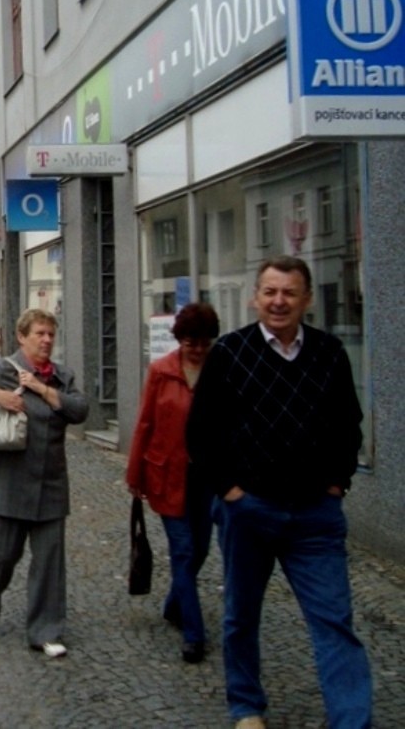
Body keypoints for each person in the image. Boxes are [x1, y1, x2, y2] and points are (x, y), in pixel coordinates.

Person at [186, 256, 371, 729]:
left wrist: (338, 482)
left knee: (334, 620)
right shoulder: (230, 353)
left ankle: (351, 720)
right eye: (270, 292)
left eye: (289, 292)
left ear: (306, 299)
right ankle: (246, 706)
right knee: (241, 615)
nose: (279, 301)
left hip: (315, 515)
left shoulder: (329, 352)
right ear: (255, 298)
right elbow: (201, 433)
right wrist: (230, 491)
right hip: (250, 511)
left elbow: (348, 424)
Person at [0, 308, 88, 657]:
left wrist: (42, 390)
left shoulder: (61, 376)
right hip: (6, 482)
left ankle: (46, 631)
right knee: (3, 553)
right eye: (39, 333)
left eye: (51, 334)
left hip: (50, 482)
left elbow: (80, 410)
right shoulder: (2, 370)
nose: (46, 340)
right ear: (22, 337)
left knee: (49, 561)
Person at [126, 302, 220, 664]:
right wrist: (135, 474)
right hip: (167, 474)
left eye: (204, 342)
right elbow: (144, 423)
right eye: (191, 342)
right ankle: (194, 634)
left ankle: (173, 603)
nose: (197, 349)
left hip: (206, 478)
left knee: (200, 550)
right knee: (182, 550)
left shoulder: (218, 370)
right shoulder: (161, 371)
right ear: (180, 339)